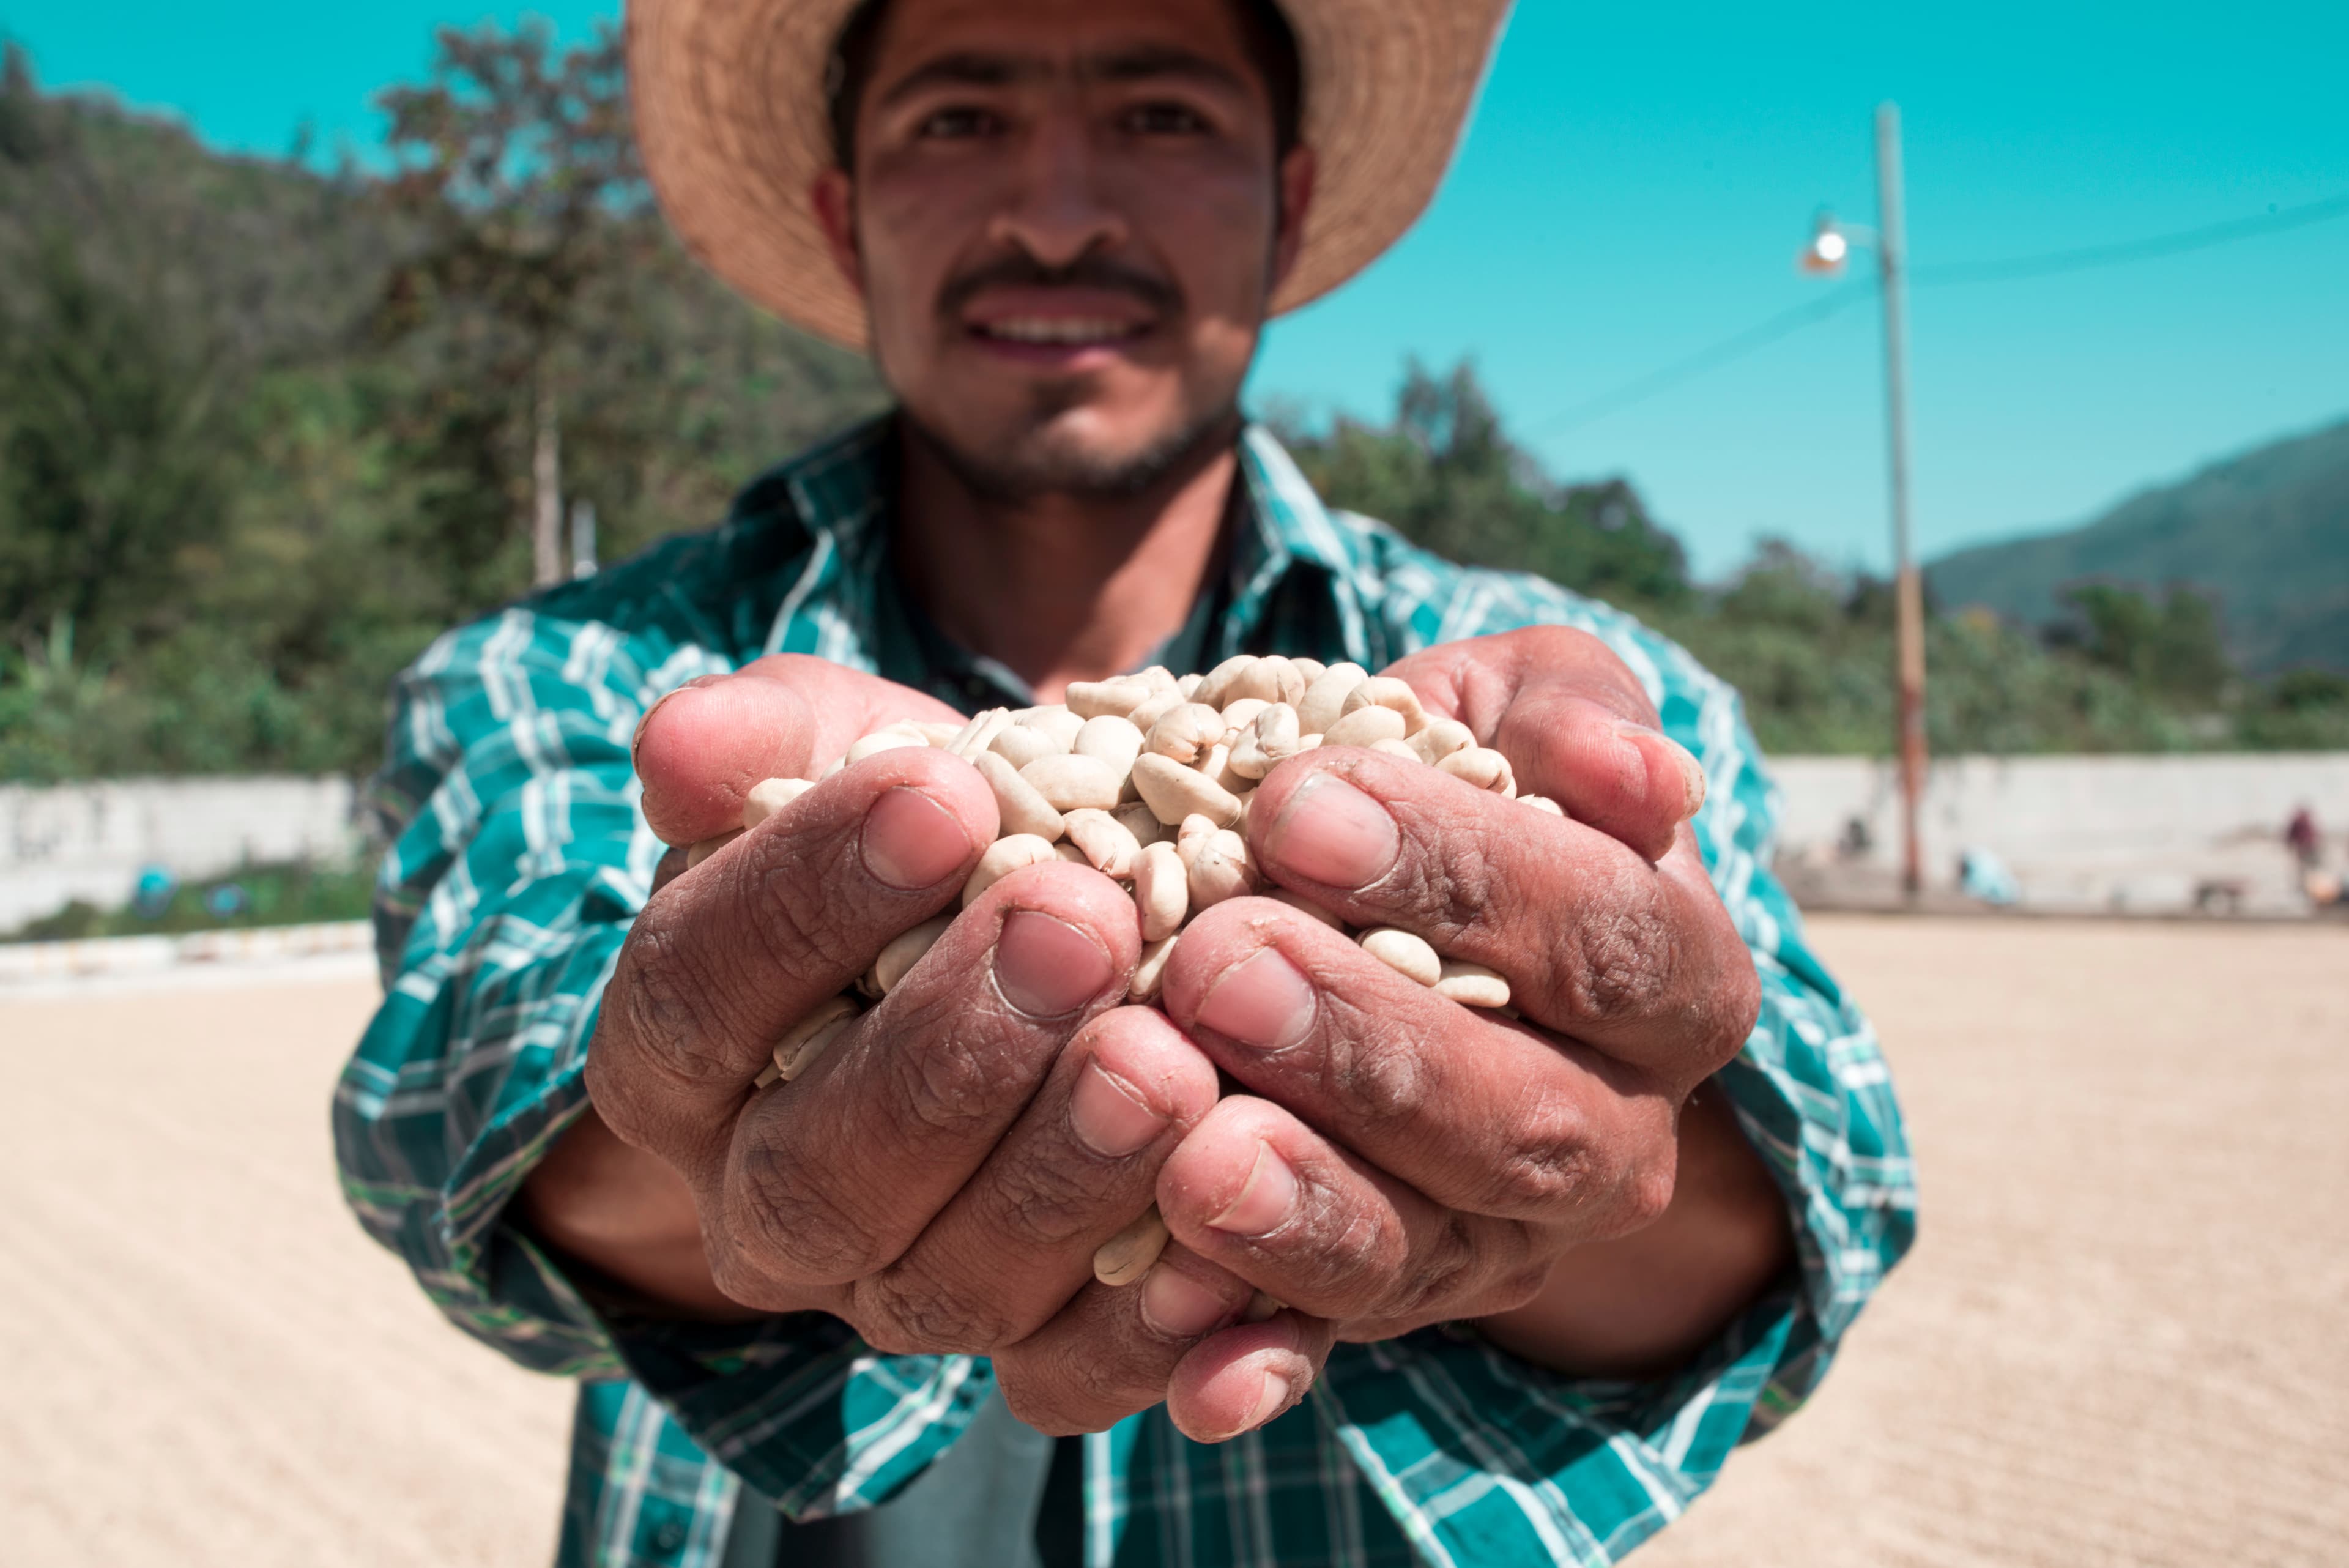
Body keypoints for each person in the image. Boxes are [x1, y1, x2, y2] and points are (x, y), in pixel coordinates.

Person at [333, 0, 1916, 1563]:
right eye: (958, 118)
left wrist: (1597, 1141)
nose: (1057, 212)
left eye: (1162, 116)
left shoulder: (1553, 694)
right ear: (844, 212)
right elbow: (450, 1092)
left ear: (1288, 200)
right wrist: (690, 1112)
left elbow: (1822, 1181)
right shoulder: (595, 676)